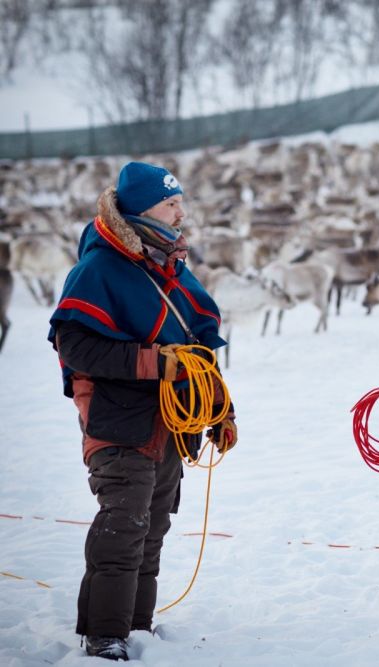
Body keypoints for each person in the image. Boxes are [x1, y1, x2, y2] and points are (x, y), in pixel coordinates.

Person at [48, 161, 237, 661]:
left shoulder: (169, 267)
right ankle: (105, 637)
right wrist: (157, 362)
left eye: (180, 202)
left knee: (152, 529)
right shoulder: (98, 269)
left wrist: (220, 409)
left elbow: (195, 350)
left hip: (169, 424)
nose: (182, 212)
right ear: (141, 210)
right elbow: (75, 347)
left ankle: (137, 628)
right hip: (118, 419)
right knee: (122, 527)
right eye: (171, 203)